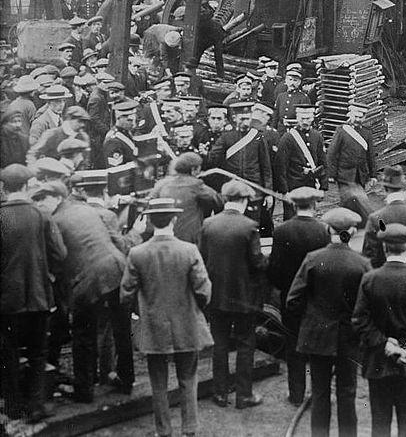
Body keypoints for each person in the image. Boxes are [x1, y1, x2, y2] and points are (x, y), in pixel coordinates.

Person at [120, 198, 213, 437]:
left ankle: (164, 431)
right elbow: (204, 290)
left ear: (150, 221)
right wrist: (194, 308)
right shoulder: (189, 250)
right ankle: (190, 429)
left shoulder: (137, 253)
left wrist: (141, 313)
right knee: (188, 378)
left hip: (153, 325)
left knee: (158, 382)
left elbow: (126, 294)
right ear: (174, 219)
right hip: (186, 323)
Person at [36, 180, 133, 402]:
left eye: (43, 198)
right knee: (122, 329)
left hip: (88, 280)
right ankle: (126, 381)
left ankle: (84, 391)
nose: (40, 203)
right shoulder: (84, 209)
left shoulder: (54, 220)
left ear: (58, 198)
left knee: (83, 335)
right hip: (117, 267)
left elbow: (58, 255)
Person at [286, 207, 372, 437]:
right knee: (347, 393)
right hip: (349, 339)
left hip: (316, 336)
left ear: (327, 229)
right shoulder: (362, 264)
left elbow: (293, 301)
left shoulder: (313, 259)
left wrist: (310, 320)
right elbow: (369, 306)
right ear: (353, 231)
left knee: (320, 393)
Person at [352, 223, 406, 437]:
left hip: (378, 362)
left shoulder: (370, 279)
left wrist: (385, 344)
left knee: (379, 424)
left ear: (384, 248)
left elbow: (359, 319)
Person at [0, 165, 66, 423]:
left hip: (7, 301)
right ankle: (36, 406)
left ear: (4, 188)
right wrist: (47, 275)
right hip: (39, 297)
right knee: (39, 353)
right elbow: (59, 254)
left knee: (9, 354)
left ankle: (14, 407)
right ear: (28, 186)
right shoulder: (41, 215)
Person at [199, 181, 265, 409]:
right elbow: (257, 263)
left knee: (220, 344)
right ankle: (244, 394)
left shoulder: (208, 224)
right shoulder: (249, 226)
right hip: (244, 297)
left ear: (225, 199)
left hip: (216, 296)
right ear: (245, 200)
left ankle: (220, 392)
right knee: (246, 344)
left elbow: (203, 258)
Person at [268, 186, 330, 405]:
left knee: (293, 346)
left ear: (294, 205)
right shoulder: (323, 231)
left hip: (290, 299)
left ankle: (296, 394)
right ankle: (319, 394)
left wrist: (284, 288)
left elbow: (274, 268)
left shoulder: (281, 231)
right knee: (317, 346)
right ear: (314, 204)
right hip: (317, 299)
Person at [209, 101, 272, 223]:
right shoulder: (226, 137)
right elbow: (213, 161)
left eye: (248, 119)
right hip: (232, 190)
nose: (245, 122)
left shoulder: (258, 137)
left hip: (254, 190)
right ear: (234, 118)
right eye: (242, 119)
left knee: (253, 225)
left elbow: (266, 167)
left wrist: (268, 192)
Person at [150, 152, 224, 243]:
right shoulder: (196, 185)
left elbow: (151, 202)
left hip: (163, 236)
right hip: (189, 239)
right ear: (193, 169)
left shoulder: (162, 184)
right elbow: (218, 201)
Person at [326, 103, 377, 224]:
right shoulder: (342, 131)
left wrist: (373, 175)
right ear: (351, 115)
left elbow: (371, 155)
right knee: (348, 202)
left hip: (360, 175)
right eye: (356, 116)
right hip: (344, 174)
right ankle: (346, 227)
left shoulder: (367, 133)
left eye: (361, 117)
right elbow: (332, 154)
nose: (358, 120)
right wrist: (332, 175)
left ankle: (359, 227)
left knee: (360, 202)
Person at [274, 105, 328, 218]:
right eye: (302, 118)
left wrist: (323, 187)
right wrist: (284, 191)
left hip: (311, 184)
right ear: (297, 118)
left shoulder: (317, 136)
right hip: (293, 185)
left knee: (309, 217)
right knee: (291, 218)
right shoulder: (288, 137)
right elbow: (281, 165)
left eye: (308, 118)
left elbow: (323, 162)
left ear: (313, 118)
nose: (305, 121)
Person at [103, 100, 140, 168]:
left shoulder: (126, 132)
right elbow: (116, 169)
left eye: (135, 120)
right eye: (129, 120)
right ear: (119, 118)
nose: (133, 124)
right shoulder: (113, 141)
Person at [273, 69, 311, 133]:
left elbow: (305, 118)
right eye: (290, 80)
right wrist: (273, 129)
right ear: (286, 81)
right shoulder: (281, 96)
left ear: (299, 82)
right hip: (280, 130)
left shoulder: (303, 98)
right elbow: (275, 116)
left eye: (295, 80)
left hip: (295, 131)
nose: (292, 83)